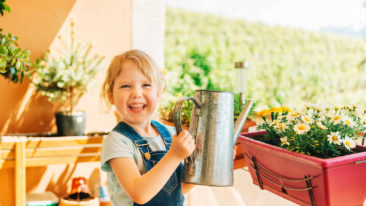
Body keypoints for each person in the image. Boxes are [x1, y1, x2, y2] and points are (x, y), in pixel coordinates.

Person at [100, 49, 196, 206]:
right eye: (125, 86)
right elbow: (140, 194)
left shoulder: (171, 134)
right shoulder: (117, 142)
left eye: (146, 85)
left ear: (159, 93)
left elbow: (179, 190)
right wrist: (175, 155)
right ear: (111, 95)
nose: (136, 93)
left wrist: (213, 161)